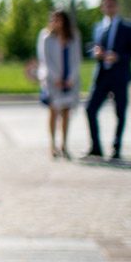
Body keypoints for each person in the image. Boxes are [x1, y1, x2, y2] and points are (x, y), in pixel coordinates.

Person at [85, 0, 131, 160]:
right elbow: (91, 47)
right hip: (102, 76)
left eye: (111, 5)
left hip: (120, 76)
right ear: (102, 7)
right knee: (90, 109)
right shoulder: (98, 27)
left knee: (120, 113)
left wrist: (118, 56)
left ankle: (117, 148)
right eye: (105, 5)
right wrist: (95, 52)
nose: (108, 8)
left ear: (116, 7)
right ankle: (96, 147)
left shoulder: (128, 27)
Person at [36, 9, 82, 159]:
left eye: (59, 19)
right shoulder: (46, 36)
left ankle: (64, 144)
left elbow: (77, 58)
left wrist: (71, 78)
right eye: (53, 19)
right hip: (52, 81)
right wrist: (56, 77)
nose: (56, 22)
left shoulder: (74, 36)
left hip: (70, 81)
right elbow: (45, 59)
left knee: (67, 113)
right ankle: (52, 144)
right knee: (53, 112)